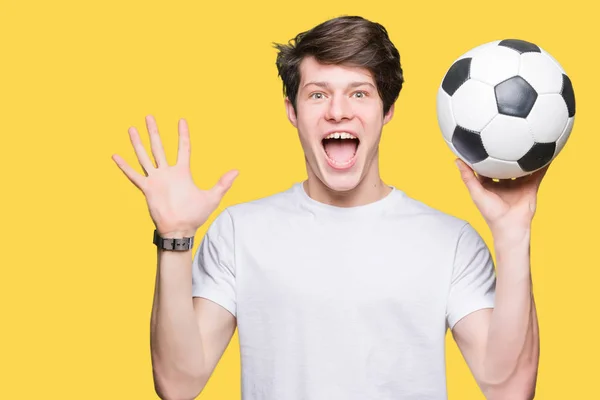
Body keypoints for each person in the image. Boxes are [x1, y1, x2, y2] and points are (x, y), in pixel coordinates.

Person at [112, 15, 543, 400]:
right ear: (292, 112)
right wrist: (174, 237)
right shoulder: (240, 233)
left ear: (387, 110)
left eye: (359, 93)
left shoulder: (450, 241)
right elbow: (177, 383)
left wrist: (512, 234)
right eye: (318, 95)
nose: (338, 112)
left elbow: (509, 388)